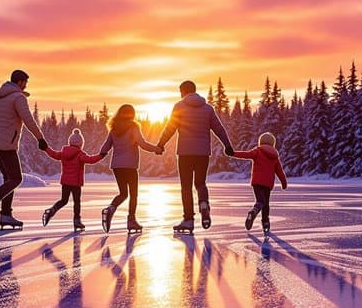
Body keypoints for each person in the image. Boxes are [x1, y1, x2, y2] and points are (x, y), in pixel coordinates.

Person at [157, 80, 233, 232]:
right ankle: (203, 203)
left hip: (185, 153)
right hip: (202, 153)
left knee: (186, 187)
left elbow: (170, 127)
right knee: (200, 183)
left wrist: (161, 144)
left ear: (184, 91)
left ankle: (188, 220)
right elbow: (219, 128)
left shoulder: (179, 107)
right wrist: (228, 145)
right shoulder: (207, 109)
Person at [0, 69, 49, 230]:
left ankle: (6, 215)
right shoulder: (18, 98)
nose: (26, 86)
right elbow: (28, 120)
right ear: (20, 82)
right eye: (25, 82)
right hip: (7, 145)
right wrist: (40, 138)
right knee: (16, 179)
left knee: (8, 179)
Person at [99, 104, 163, 233]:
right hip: (130, 166)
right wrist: (156, 149)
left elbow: (105, 147)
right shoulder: (133, 127)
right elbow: (142, 143)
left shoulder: (114, 129)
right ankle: (131, 221)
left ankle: (111, 208)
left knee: (123, 193)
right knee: (133, 194)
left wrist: (99, 156)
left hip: (117, 166)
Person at [42, 128, 107, 231]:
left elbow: (54, 154)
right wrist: (101, 156)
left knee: (64, 200)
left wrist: (46, 148)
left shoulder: (64, 153)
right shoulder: (80, 154)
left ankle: (52, 210)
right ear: (80, 144)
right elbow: (90, 160)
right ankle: (77, 221)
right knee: (77, 202)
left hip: (65, 182)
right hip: (76, 183)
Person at [230, 132, 288, 233]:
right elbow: (280, 171)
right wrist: (284, 183)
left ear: (261, 142)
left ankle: (253, 212)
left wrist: (233, 153)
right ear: (272, 143)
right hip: (268, 184)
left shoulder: (258, 151)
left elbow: (246, 155)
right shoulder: (274, 156)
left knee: (260, 201)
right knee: (266, 204)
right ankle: (265, 223)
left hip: (257, 182)